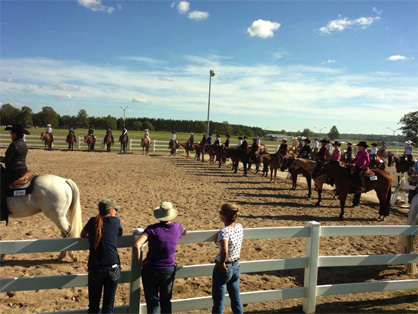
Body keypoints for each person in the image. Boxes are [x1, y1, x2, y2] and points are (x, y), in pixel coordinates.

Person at [133, 202, 186, 314]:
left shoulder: (152, 229)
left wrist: (139, 262)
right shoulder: (177, 227)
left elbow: (137, 245)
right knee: (166, 301)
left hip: (151, 269)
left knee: (152, 303)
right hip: (168, 269)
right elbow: (184, 232)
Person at [81, 199, 123, 314]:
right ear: (110, 210)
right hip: (112, 266)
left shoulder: (92, 221)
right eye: (115, 209)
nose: (116, 212)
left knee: (93, 306)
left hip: (96, 267)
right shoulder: (115, 221)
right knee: (108, 307)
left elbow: (82, 234)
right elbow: (119, 233)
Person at [212, 203, 243, 314]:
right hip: (236, 264)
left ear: (224, 216)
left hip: (225, 266)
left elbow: (224, 249)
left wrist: (221, 263)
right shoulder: (239, 227)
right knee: (236, 298)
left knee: (218, 302)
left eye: (220, 213)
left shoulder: (224, 232)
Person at [0, 124, 30, 224]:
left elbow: (7, 160)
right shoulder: (24, 144)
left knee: (2, 186)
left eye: (11, 133)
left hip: (14, 171)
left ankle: (2, 211)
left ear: (16, 134)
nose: (10, 135)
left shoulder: (14, 145)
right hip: (23, 169)